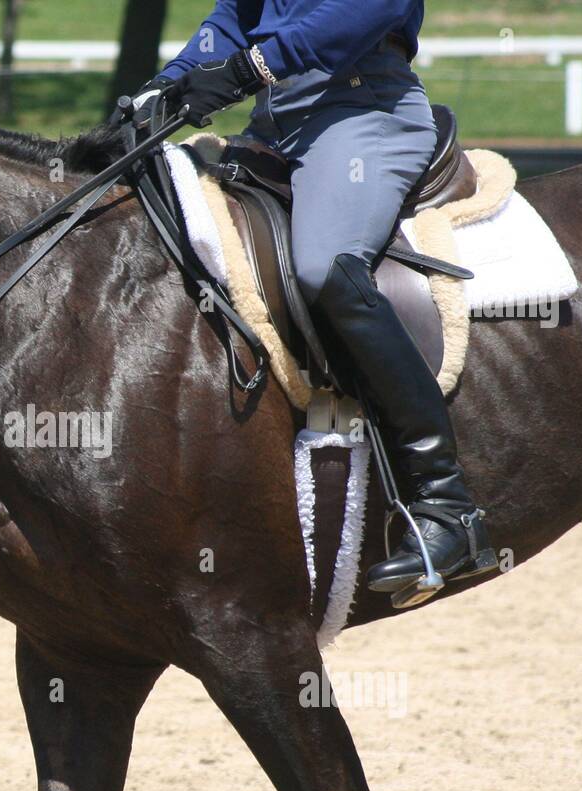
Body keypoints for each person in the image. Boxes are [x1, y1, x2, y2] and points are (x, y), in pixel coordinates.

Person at [133, 0, 494, 595]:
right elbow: (234, 16)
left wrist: (250, 67)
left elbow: (365, 9)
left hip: (362, 112)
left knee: (326, 268)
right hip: (274, 123)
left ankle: (446, 504)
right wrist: (167, 84)